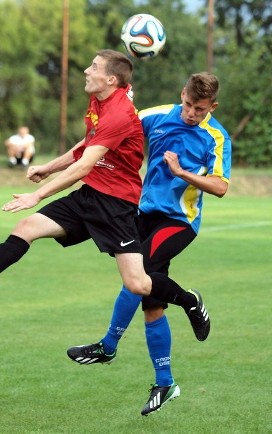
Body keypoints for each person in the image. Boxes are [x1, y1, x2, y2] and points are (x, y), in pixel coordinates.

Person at [0, 50, 210, 413]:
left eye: (94, 67)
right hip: (88, 198)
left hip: (116, 207)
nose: (86, 70)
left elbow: (84, 165)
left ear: (111, 79)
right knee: (27, 227)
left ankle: (189, 301)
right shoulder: (97, 103)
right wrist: (48, 167)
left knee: (139, 285)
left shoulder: (120, 115)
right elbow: (84, 147)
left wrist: (38, 193)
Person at [66, 72, 232, 416]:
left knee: (137, 276)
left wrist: (182, 173)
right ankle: (165, 381)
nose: (191, 113)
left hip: (179, 221)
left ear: (212, 107)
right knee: (150, 300)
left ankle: (108, 345)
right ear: (181, 93)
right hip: (141, 213)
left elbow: (219, 187)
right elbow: (116, 132)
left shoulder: (215, 136)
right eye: (187, 104)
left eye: (200, 109)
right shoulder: (153, 116)